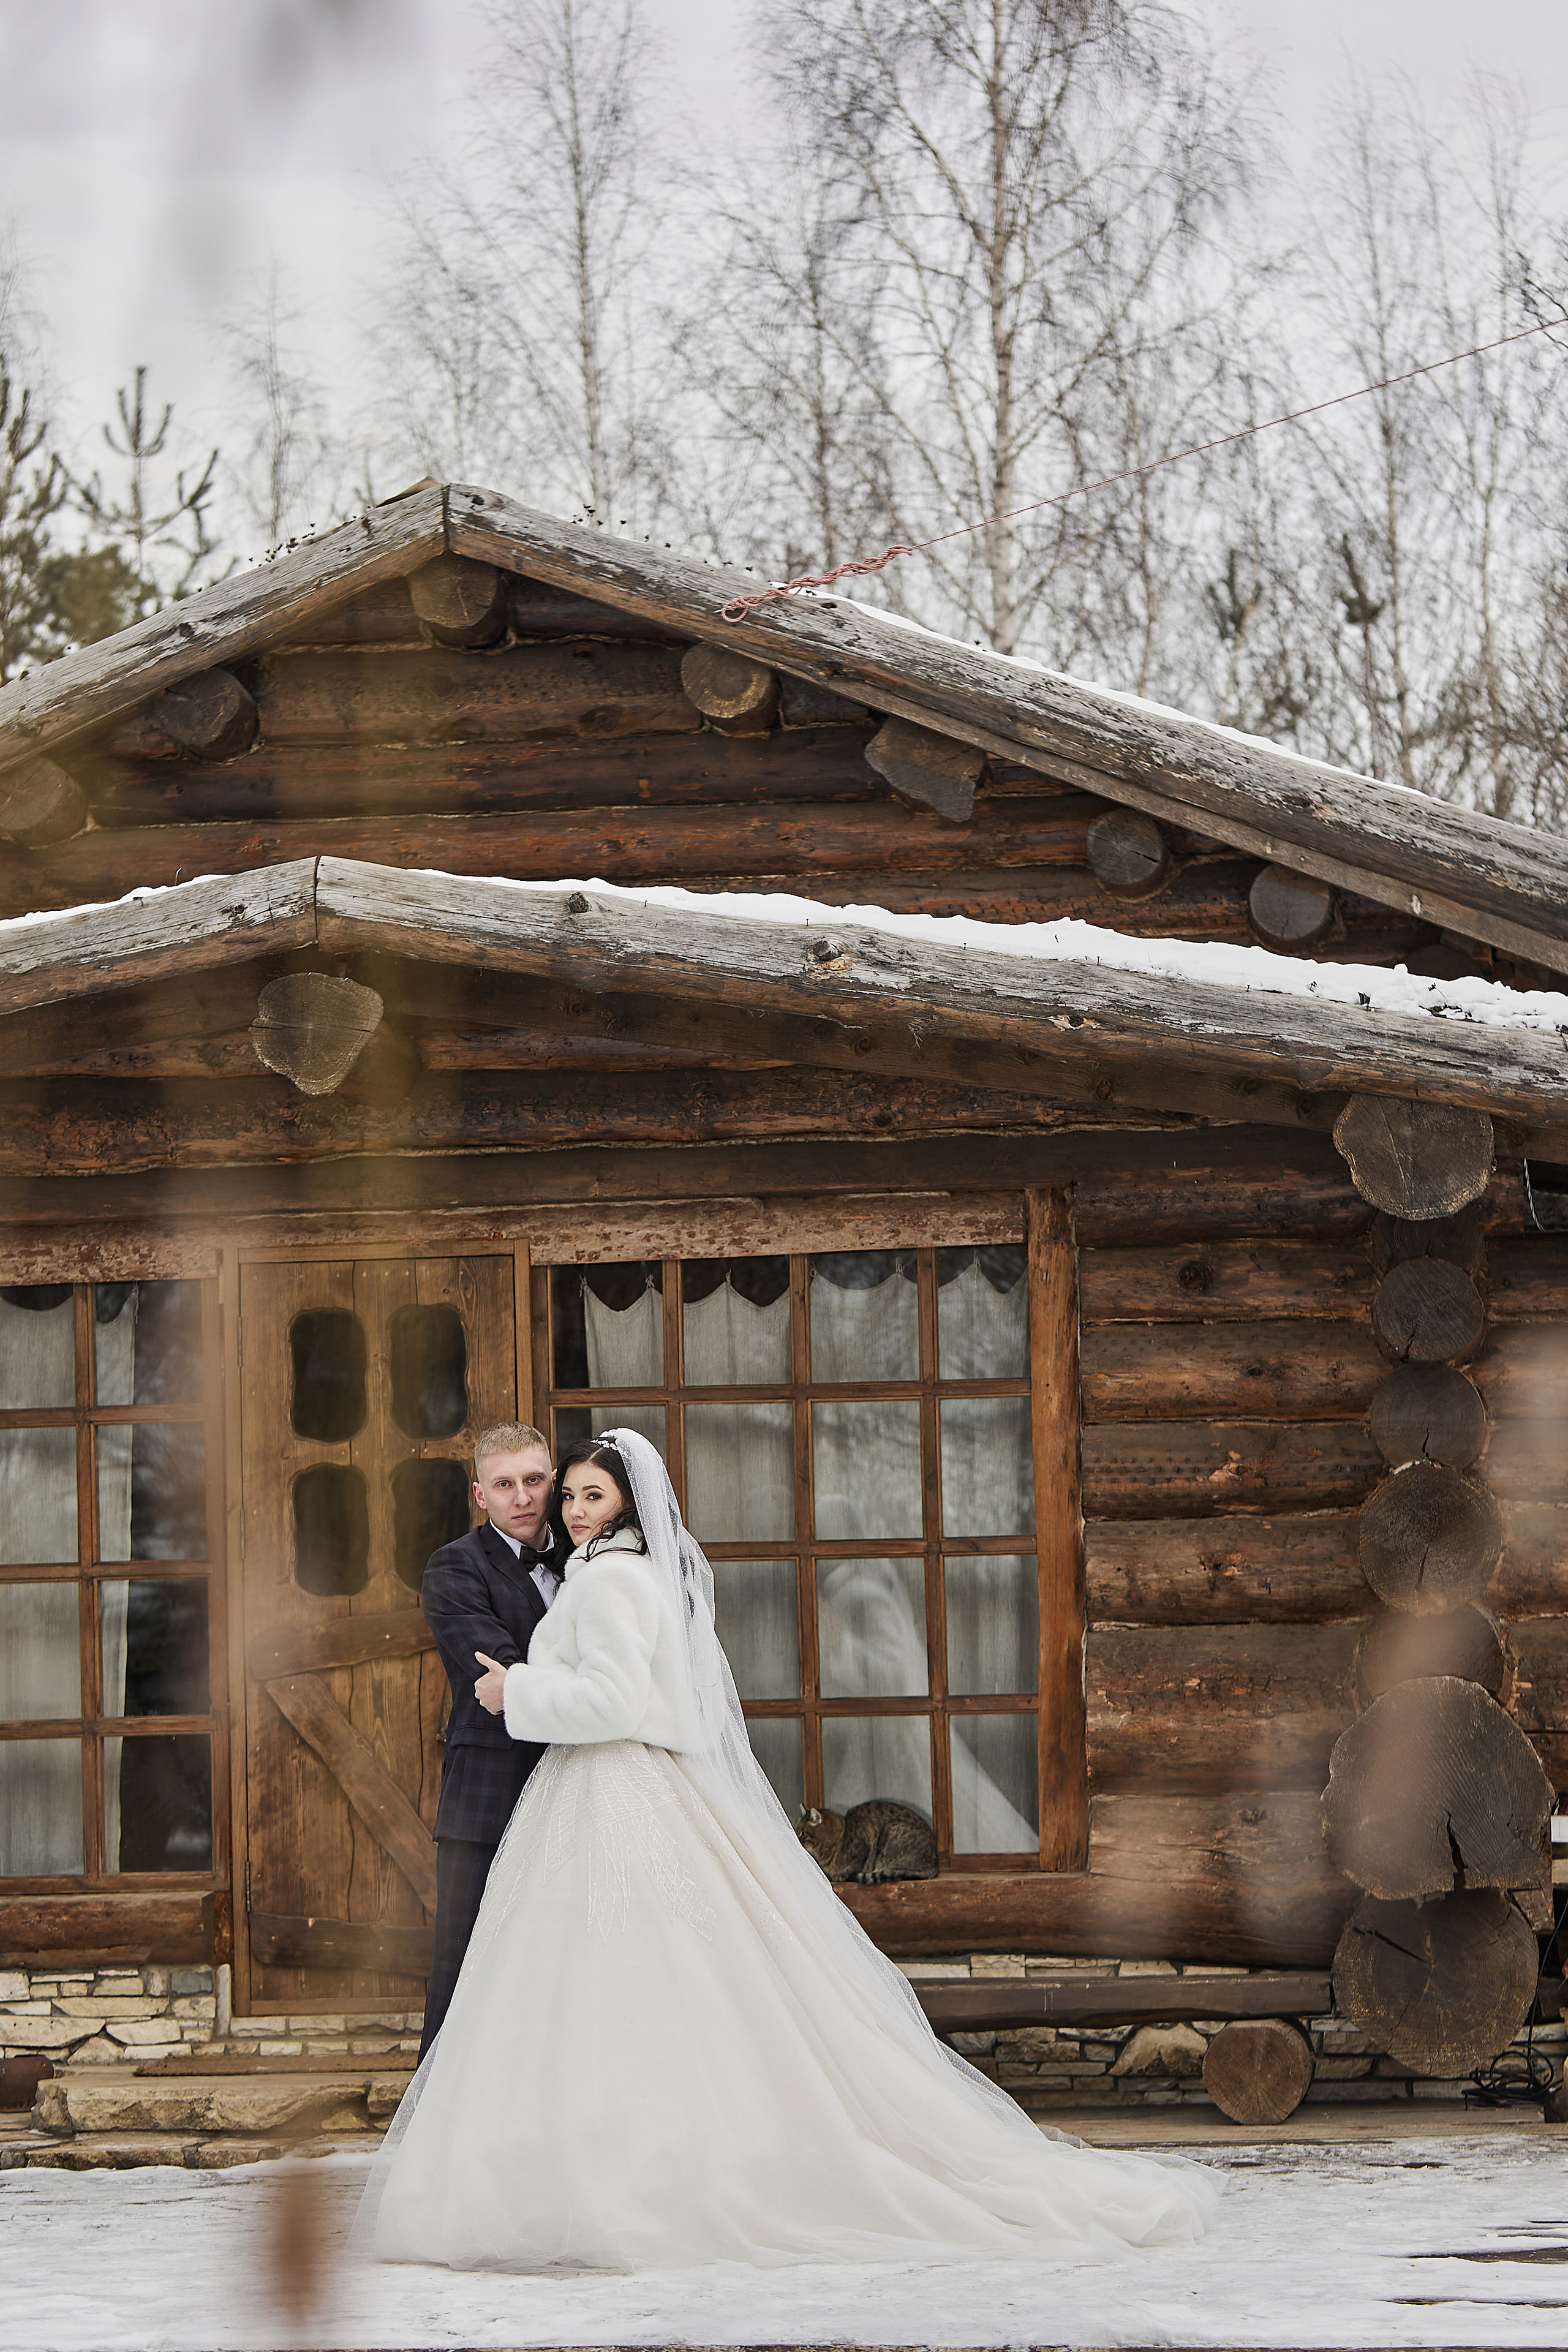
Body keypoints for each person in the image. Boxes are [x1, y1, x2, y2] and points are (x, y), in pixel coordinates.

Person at [361, 1428, 1218, 2271]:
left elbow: (616, 1701)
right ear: (483, 1492)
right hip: (585, 1791)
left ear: (627, 1503)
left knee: (624, 1978)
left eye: (588, 1493)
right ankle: (582, 2157)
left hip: (612, 1784)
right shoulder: (596, 1570)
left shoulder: (614, 1581)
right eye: (569, 1493)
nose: (569, 1507)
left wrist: (523, 1688)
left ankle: (626, 2173)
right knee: (601, 1981)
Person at [415, 1422, 560, 2062]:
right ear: (480, 1494)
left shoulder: (593, 1559)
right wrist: (598, 1685)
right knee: (464, 1958)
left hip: (584, 1784)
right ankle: (430, 2131)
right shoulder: (453, 1567)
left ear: (553, 1480)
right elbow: (495, 1671)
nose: (522, 1497)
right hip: (488, 1793)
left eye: (534, 1480)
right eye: (504, 1485)